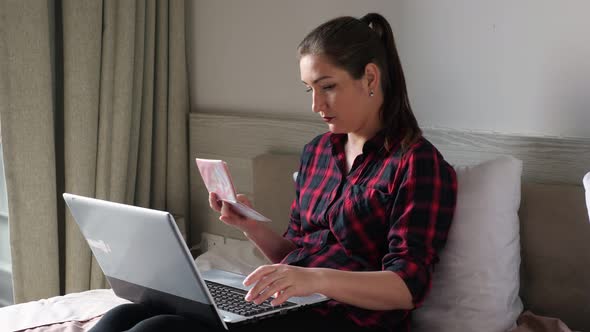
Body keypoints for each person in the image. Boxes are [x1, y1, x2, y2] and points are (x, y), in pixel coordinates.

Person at [90, 12, 457, 332]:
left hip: (348, 322)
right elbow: (294, 255)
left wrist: (312, 279)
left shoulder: (416, 164)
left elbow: (408, 288)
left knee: (162, 329)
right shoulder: (318, 153)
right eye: (310, 89)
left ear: (371, 78)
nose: (316, 105)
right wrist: (249, 226)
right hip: (290, 308)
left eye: (328, 87)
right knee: (125, 315)